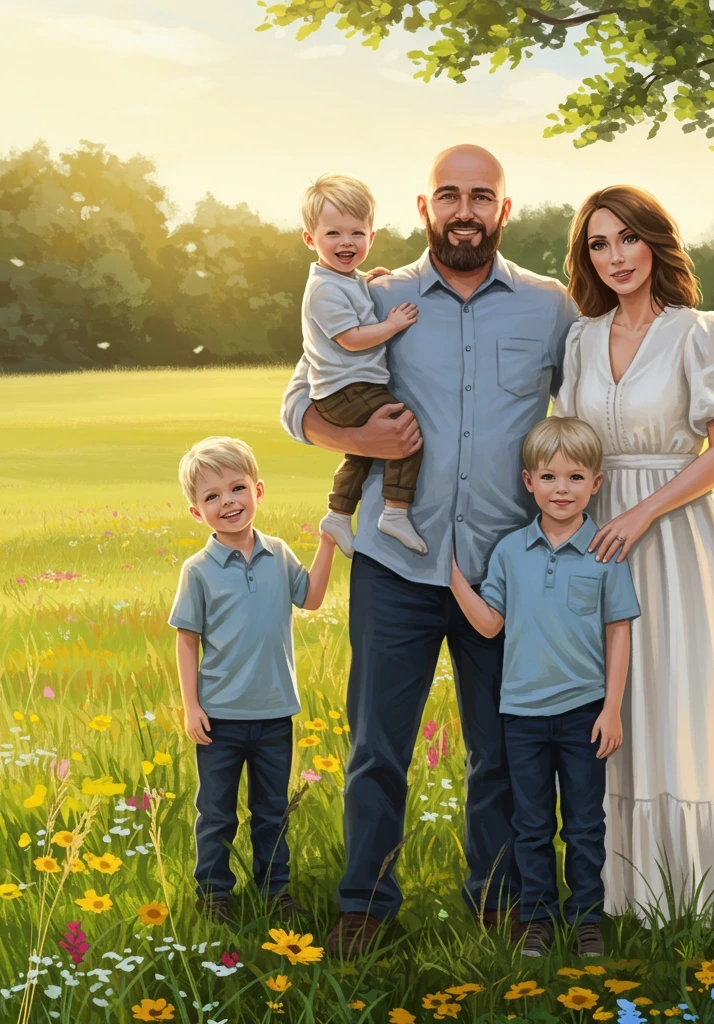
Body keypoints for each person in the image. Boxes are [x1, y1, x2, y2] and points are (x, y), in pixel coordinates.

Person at [280, 145, 578, 957]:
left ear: (505, 211)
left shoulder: (550, 308)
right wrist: (351, 432)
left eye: (482, 196)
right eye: (450, 195)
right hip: (394, 562)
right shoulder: (376, 295)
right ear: (424, 208)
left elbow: (592, 406)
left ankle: (499, 905)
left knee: (502, 749)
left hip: (501, 570)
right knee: (377, 745)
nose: (465, 210)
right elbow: (297, 400)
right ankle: (364, 907)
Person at [555, 185, 714, 922]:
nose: (615, 257)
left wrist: (643, 512)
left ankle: (707, 885)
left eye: (627, 238)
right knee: (611, 702)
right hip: (597, 538)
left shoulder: (700, 331)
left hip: (678, 533)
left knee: (680, 690)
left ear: (656, 242)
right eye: (599, 244)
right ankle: (621, 889)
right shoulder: (581, 339)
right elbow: (566, 443)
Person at [449, 416, 640, 957]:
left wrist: (612, 709)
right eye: (550, 477)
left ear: (596, 484)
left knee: (584, 825)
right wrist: (450, 574)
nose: (562, 489)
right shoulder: (510, 552)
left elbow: (618, 633)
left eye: (576, 478)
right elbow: (490, 625)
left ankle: (586, 920)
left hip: (585, 714)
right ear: (528, 481)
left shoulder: (606, 552)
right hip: (523, 716)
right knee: (530, 825)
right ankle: (536, 918)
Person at [169, 436, 336, 923]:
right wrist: (191, 706)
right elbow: (186, 640)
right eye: (212, 497)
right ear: (197, 513)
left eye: (237, 488)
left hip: (273, 715)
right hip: (219, 718)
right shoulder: (198, 571)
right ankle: (214, 894)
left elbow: (312, 599)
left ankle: (274, 891)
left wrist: (327, 543)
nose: (228, 502)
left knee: (272, 813)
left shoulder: (279, 554)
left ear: (258, 491)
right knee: (217, 814)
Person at [298, 173, 426, 557]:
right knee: (404, 433)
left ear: (372, 236)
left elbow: (353, 297)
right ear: (310, 239)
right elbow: (351, 338)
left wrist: (368, 282)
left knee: (362, 452)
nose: (346, 243)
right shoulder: (323, 289)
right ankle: (395, 511)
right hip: (345, 388)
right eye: (333, 234)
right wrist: (391, 324)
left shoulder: (344, 280)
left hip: (348, 387)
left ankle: (337, 514)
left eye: (356, 233)